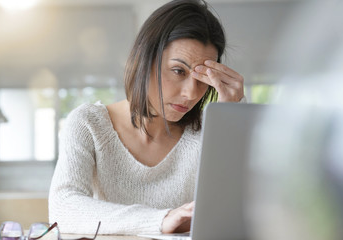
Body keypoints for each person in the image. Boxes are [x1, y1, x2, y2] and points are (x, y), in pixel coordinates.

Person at [48, 0, 245, 235]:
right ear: (144, 60)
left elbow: (239, 215)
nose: (191, 93)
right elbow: (63, 208)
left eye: (202, 79)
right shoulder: (88, 123)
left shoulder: (208, 133)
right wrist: (160, 220)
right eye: (178, 71)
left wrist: (230, 120)